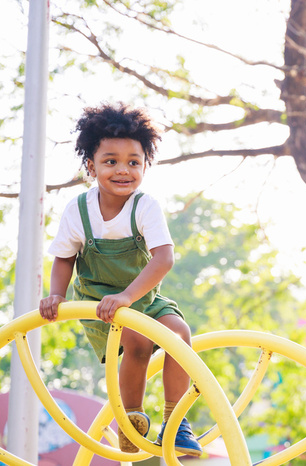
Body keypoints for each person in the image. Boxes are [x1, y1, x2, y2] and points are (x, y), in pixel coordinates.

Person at [38, 102, 202, 457]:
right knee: (138, 342)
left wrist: (130, 295)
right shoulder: (78, 210)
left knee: (180, 333)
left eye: (133, 162)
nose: (123, 170)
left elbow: (164, 258)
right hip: (100, 301)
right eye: (110, 161)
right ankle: (131, 420)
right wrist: (56, 294)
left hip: (141, 295)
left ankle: (177, 423)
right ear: (91, 166)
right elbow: (64, 258)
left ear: (145, 165)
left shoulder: (145, 206)